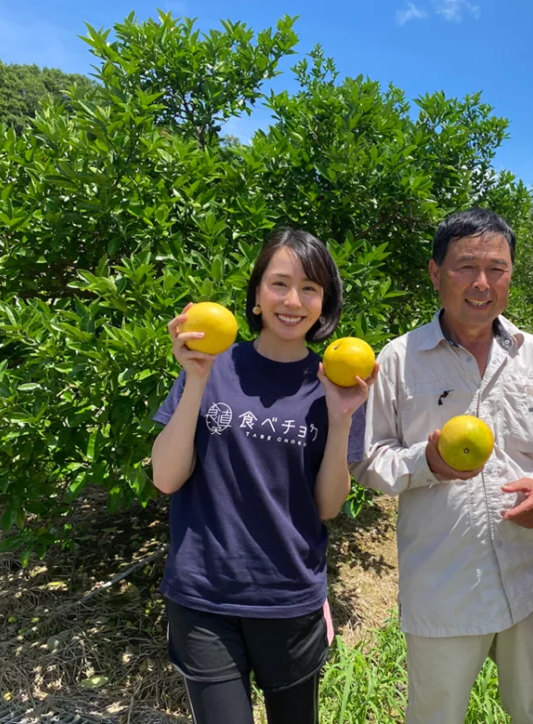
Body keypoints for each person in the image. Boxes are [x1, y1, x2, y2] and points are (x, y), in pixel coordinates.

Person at [351, 208, 533, 724]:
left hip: (530, 575)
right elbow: (368, 460)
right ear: (435, 273)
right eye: (465, 267)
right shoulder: (400, 360)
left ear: (511, 275)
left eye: (496, 268)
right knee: (435, 715)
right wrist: (425, 461)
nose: (481, 283)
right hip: (445, 582)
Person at [150, 228, 374, 724]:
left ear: (324, 303)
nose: (293, 301)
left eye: (310, 288)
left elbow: (328, 508)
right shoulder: (211, 364)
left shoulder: (332, 384)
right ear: (255, 295)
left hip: (289, 596)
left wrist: (340, 420)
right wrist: (196, 381)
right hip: (205, 593)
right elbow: (166, 478)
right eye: (279, 284)